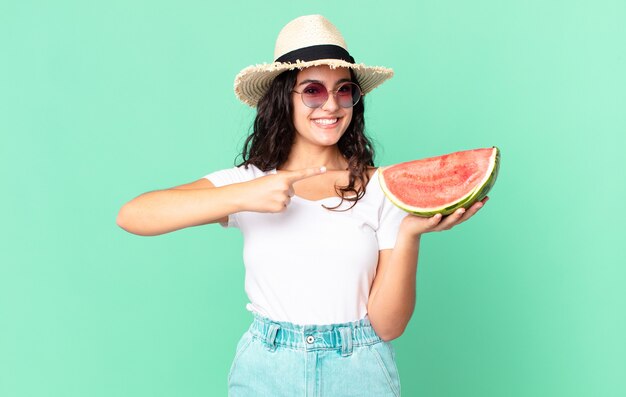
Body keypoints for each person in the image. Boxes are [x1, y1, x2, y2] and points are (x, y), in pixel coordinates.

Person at [117, 14, 487, 397]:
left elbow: (388, 325)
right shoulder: (249, 182)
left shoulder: (382, 188)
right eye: (313, 90)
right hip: (265, 370)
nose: (331, 105)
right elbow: (134, 215)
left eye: (344, 91)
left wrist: (410, 232)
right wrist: (245, 196)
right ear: (283, 99)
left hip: (360, 371)